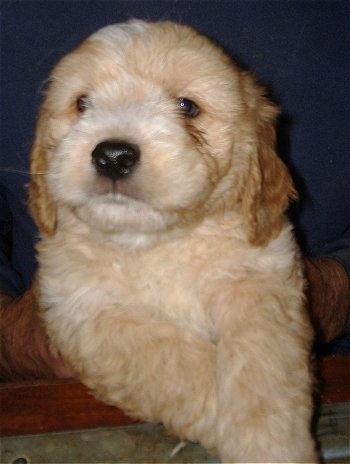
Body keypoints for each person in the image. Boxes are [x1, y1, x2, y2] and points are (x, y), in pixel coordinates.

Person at [1, 0, 349, 381]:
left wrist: (327, 291)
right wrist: (11, 336)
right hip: (49, 391)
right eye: (84, 105)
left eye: (186, 107)